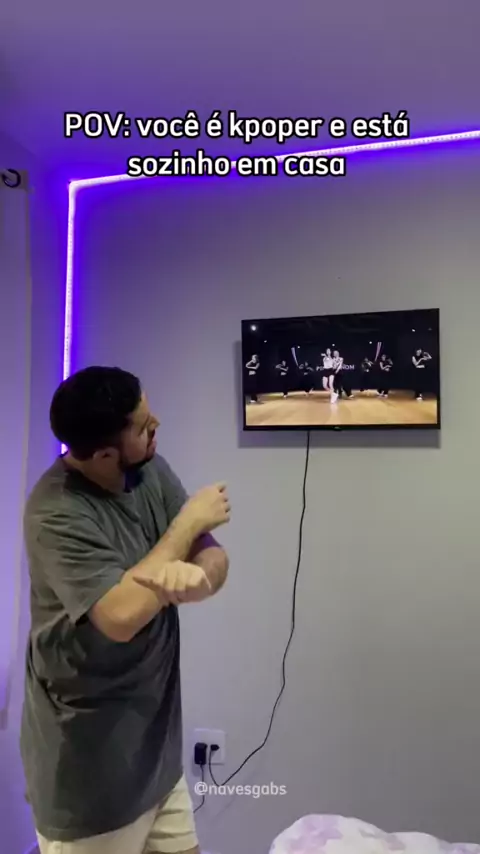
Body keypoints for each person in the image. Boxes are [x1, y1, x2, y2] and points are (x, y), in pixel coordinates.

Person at [21, 366, 230, 854]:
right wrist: (185, 526)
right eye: (143, 426)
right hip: (89, 773)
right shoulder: (55, 512)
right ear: (103, 455)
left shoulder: (147, 468)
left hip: (158, 756)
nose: (156, 427)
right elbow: (119, 617)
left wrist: (200, 581)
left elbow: (211, 553)